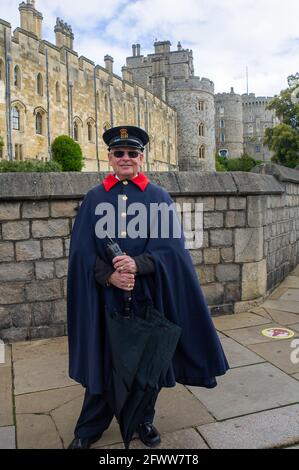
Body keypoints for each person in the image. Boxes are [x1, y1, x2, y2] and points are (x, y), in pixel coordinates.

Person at [67, 125, 229, 449]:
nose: (126, 158)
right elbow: (82, 253)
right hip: (106, 299)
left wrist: (137, 265)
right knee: (106, 362)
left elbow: (172, 251)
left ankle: (143, 420)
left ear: (141, 157)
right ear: (110, 158)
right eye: (119, 153)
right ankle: (89, 429)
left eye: (132, 153)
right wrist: (109, 275)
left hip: (147, 296)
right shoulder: (94, 199)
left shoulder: (158, 197)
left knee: (148, 364)